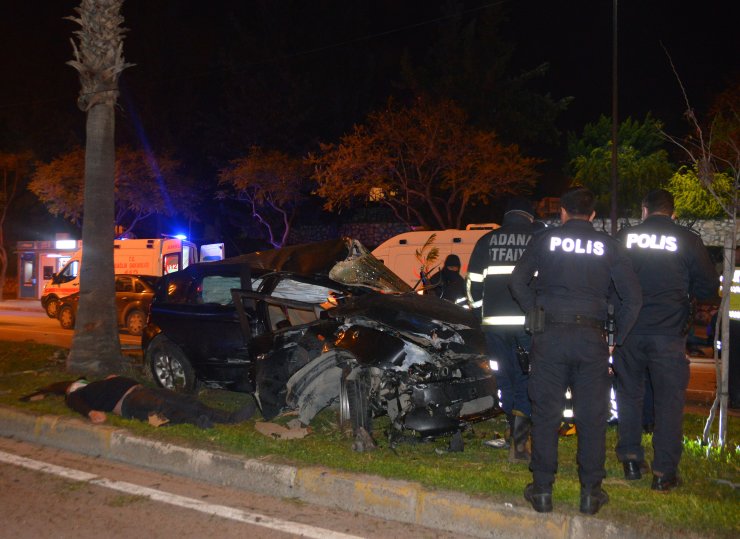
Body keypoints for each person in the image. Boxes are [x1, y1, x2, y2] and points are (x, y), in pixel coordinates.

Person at [509, 187, 642, 515]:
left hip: (550, 336)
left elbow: (517, 282)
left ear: (563, 213)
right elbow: (633, 298)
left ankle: (541, 491)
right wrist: (617, 338)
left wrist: (535, 314)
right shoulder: (608, 246)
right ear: (593, 215)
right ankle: (590, 493)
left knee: (546, 414)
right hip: (591, 339)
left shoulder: (547, 240)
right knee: (591, 417)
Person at [613, 189, 718, 491]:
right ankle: (663, 473)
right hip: (669, 335)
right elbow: (708, 285)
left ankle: (631, 460)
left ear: (644, 211)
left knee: (629, 397)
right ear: (673, 213)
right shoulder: (687, 239)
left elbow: (611, 278)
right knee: (669, 403)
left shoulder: (626, 237)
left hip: (629, 333)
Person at [466, 197, 541, 462]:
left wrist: (478, 313)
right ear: (530, 217)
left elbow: (473, 283)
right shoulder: (538, 238)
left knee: (504, 374)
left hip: (494, 323)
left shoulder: (486, 240)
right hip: (528, 323)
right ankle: (520, 432)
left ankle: (512, 423)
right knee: (527, 373)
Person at [21, 376, 256, 428]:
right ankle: (198, 421)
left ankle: (227, 418)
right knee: (164, 410)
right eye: (75, 382)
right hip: (128, 401)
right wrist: (92, 413)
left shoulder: (94, 383)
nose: (79, 382)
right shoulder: (74, 395)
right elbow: (78, 406)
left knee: (182, 399)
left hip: (139, 390)